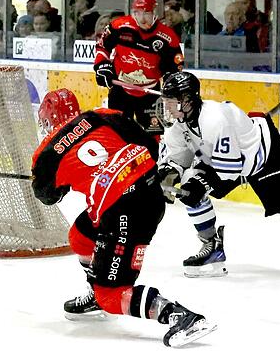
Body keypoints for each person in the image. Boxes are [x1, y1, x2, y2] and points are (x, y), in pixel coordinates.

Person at [31, 88, 215, 347]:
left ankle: (179, 316)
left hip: (123, 212)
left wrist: (65, 180)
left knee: (112, 295)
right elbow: (147, 141)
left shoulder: (45, 155)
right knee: (80, 237)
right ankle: (96, 288)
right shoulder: (99, 116)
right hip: (148, 191)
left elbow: (47, 196)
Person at [156, 71, 280, 277]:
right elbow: (179, 159)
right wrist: (170, 173)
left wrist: (199, 185)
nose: (166, 107)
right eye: (166, 101)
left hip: (263, 158)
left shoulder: (214, 119)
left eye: (171, 101)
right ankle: (212, 247)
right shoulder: (178, 125)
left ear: (188, 100)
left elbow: (229, 170)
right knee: (189, 181)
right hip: (230, 160)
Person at [93, 0, 184, 137]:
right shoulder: (119, 26)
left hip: (150, 93)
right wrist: (102, 66)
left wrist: (170, 85)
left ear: (154, 13)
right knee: (116, 135)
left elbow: (174, 68)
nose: (141, 18)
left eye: (146, 13)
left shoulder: (168, 37)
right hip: (121, 90)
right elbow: (102, 46)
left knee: (153, 137)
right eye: (137, 12)